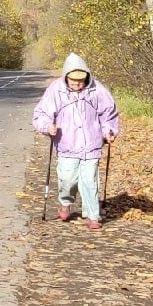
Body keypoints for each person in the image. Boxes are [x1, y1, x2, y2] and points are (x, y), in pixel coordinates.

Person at [33, 52, 119, 229]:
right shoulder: (56, 90)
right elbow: (41, 114)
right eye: (73, 81)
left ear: (87, 77)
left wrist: (109, 131)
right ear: (66, 77)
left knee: (90, 180)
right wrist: (48, 126)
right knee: (68, 179)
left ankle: (92, 216)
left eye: (80, 81)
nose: (77, 85)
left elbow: (108, 114)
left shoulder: (97, 90)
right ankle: (66, 202)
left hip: (92, 145)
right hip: (67, 145)